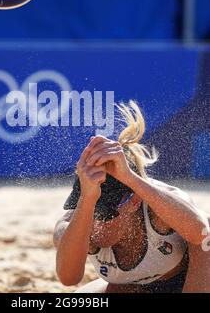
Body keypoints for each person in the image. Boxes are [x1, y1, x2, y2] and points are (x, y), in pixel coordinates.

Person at [54, 101, 210, 293]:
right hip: (141, 287)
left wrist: (129, 178)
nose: (96, 226)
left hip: (192, 277)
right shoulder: (73, 222)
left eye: (105, 214)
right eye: (90, 211)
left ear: (133, 202)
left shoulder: (156, 206)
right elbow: (69, 278)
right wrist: (87, 201)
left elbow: (200, 231)